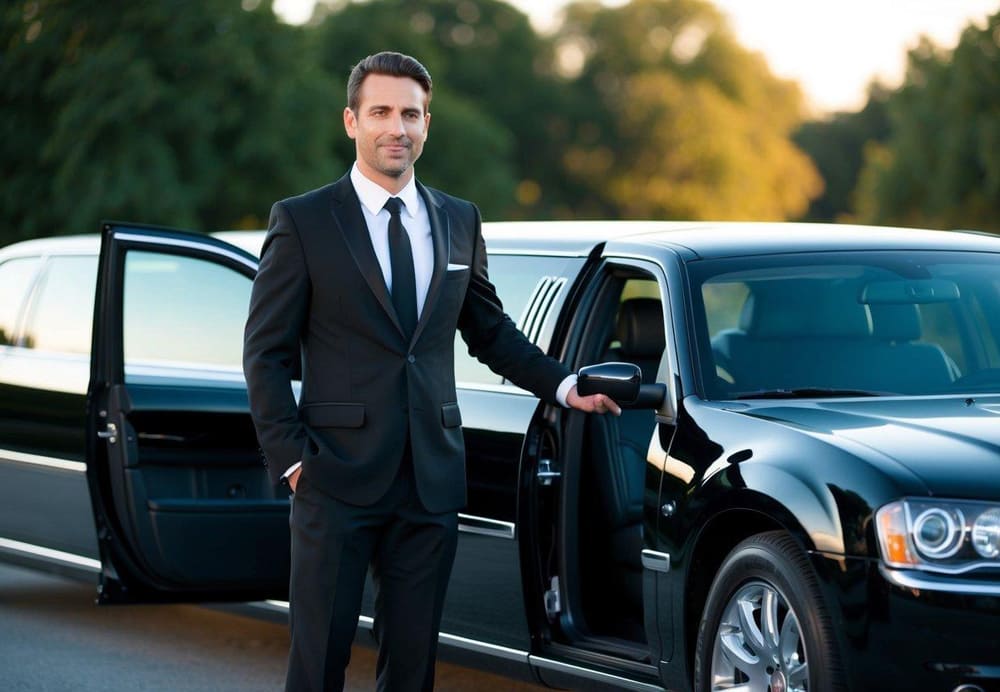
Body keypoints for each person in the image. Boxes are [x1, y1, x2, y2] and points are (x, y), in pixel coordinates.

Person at [243, 50, 620, 692]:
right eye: (382, 112)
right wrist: (294, 460)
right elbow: (265, 353)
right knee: (318, 663)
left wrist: (563, 384)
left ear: (427, 124)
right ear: (351, 121)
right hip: (333, 476)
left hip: (431, 481)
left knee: (413, 667)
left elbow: (489, 331)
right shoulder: (302, 220)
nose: (398, 127)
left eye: (411, 114)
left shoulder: (458, 219)